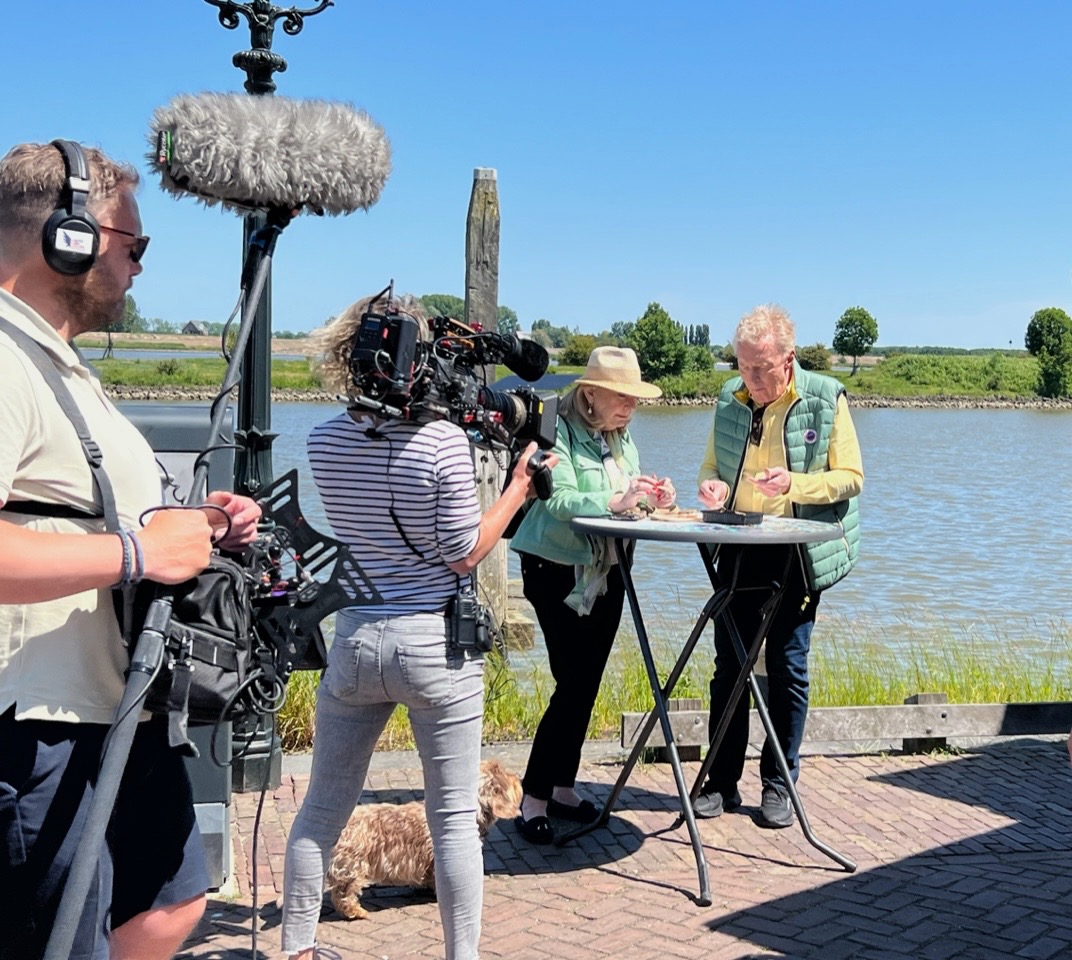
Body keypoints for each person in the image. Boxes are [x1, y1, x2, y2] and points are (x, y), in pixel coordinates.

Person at [0, 141, 262, 959]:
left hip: (111, 705)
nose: (142, 265)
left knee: (170, 900)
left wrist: (200, 525)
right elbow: (120, 546)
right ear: (67, 237)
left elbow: (81, 514)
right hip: (38, 723)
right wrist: (136, 555)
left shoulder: (58, 364)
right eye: (133, 244)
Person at [281, 293, 555, 960]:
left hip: (355, 640)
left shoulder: (323, 440)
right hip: (433, 644)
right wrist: (519, 486)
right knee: (454, 820)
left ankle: (296, 948)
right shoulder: (442, 442)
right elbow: (462, 551)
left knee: (321, 808)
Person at [694, 304, 863, 828]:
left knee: (788, 665)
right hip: (738, 543)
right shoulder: (730, 398)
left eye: (761, 368)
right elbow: (711, 465)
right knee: (730, 666)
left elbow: (851, 477)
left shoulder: (825, 397)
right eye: (743, 366)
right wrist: (713, 488)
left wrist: (796, 485)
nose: (751, 379)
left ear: (788, 359)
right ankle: (720, 782)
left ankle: (779, 784)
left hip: (797, 549)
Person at [510, 346, 676, 845]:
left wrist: (653, 497)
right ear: (590, 394)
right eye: (621, 396)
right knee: (572, 681)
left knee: (588, 683)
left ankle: (563, 786)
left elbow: (628, 499)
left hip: (609, 569)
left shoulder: (620, 436)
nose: (630, 405)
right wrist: (615, 499)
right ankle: (533, 798)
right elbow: (556, 499)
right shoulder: (558, 429)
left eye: (634, 397)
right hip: (555, 567)